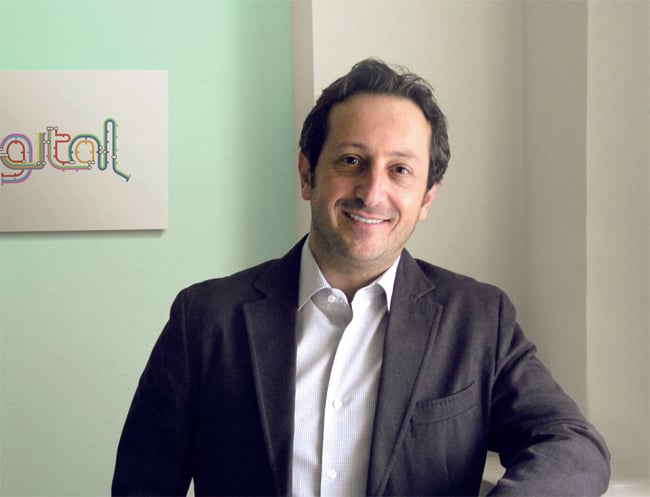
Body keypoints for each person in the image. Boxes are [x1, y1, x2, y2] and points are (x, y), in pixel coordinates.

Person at [112, 58, 610, 496]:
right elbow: (143, 486)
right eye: (351, 161)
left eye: (400, 170)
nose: (372, 193)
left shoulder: (479, 320)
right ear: (307, 174)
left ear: (427, 198)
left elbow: (573, 445)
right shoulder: (204, 319)